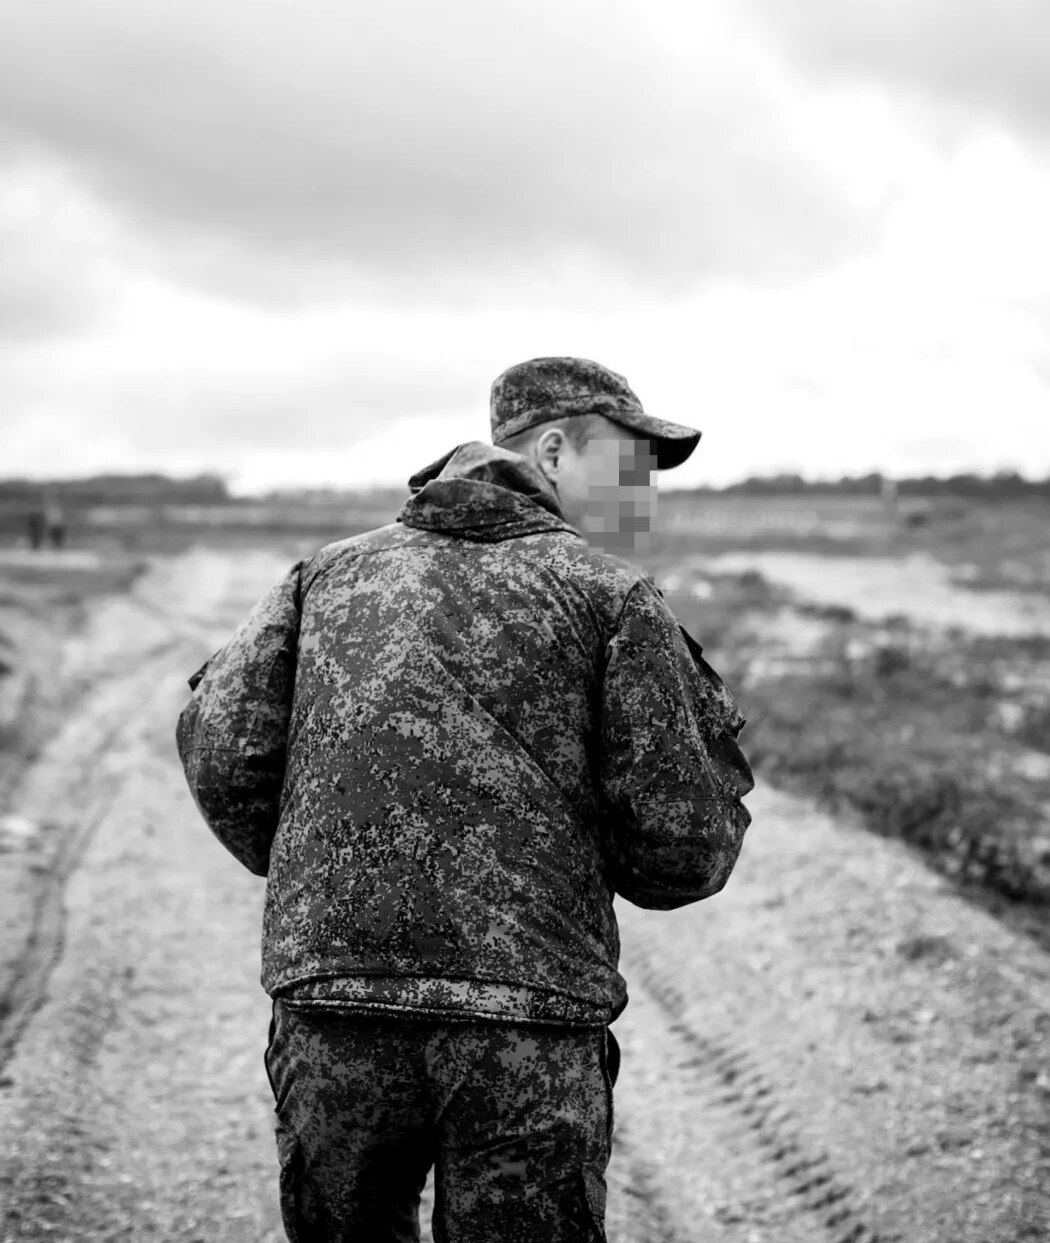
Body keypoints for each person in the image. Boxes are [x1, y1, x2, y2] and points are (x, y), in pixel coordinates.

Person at [176, 356, 753, 1242]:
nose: (646, 494)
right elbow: (682, 851)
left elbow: (225, 750)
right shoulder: (611, 598)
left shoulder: (325, 576)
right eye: (630, 464)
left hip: (335, 1011)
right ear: (554, 450)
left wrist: (317, 869)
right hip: (528, 1026)